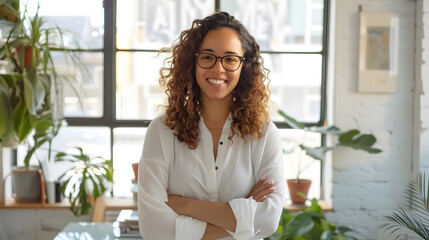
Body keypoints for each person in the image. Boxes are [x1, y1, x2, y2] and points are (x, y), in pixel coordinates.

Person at [138, 11, 286, 240]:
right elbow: (153, 229)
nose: (218, 69)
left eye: (230, 59)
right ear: (192, 62)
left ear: (243, 66)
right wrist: (244, 217)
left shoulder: (264, 134)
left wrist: (184, 206)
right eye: (207, 57)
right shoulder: (161, 131)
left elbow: (268, 219)